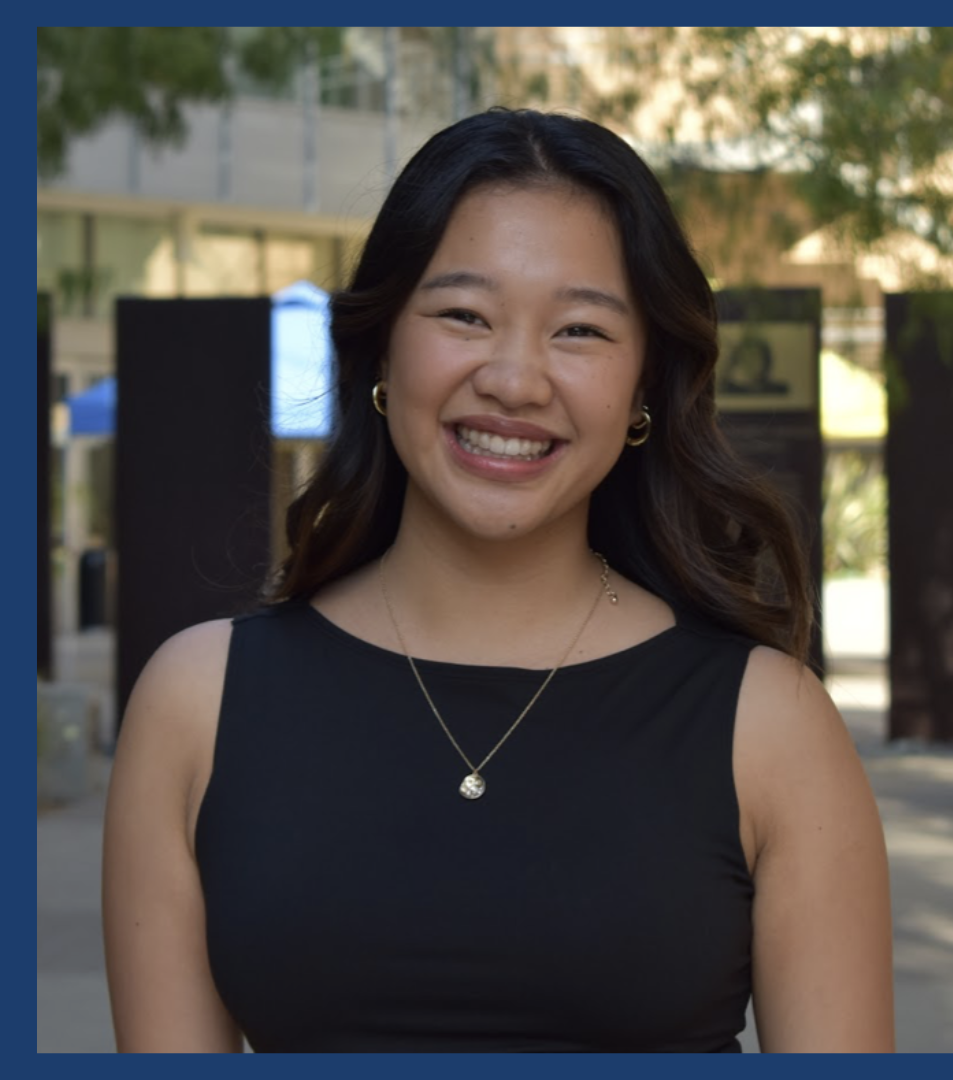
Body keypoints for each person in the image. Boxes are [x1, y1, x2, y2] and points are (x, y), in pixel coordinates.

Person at [102, 108, 894, 1053]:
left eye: (581, 330)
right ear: (382, 347)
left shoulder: (770, 726)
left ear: (644, 386)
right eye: (464, 316)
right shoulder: (199, 704)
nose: (516, 381)